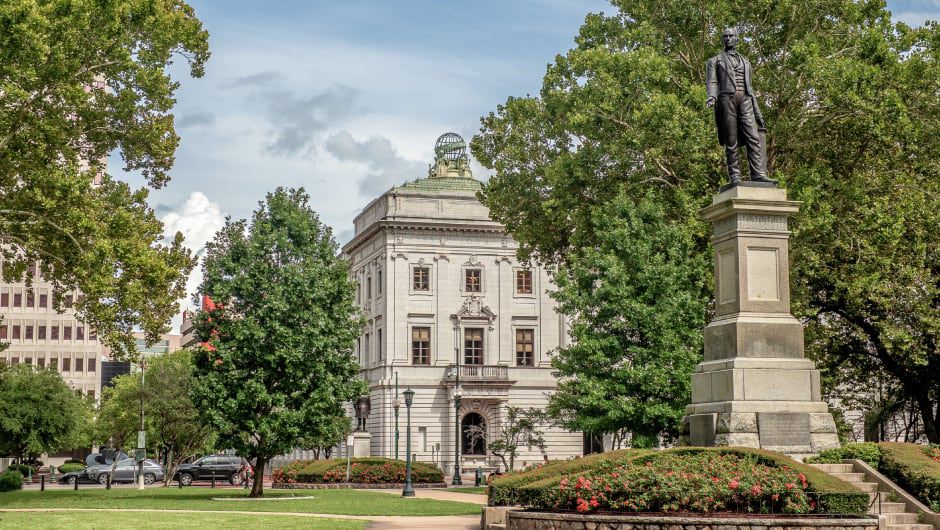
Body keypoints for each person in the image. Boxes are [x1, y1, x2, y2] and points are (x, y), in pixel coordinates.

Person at [706, 28, 776, 185]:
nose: (728, 38)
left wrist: (758, 114)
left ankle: (758, 173)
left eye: (731, 36)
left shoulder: (746, 62)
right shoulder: (715, 60)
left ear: (737, 39)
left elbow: (750, 88)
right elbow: (712, 81)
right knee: (731, 140)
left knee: (753, 137)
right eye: (725, 36)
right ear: (723, 40)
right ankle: (735, 176)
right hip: (726, 99)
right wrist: (711, 96)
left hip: (745, 100)